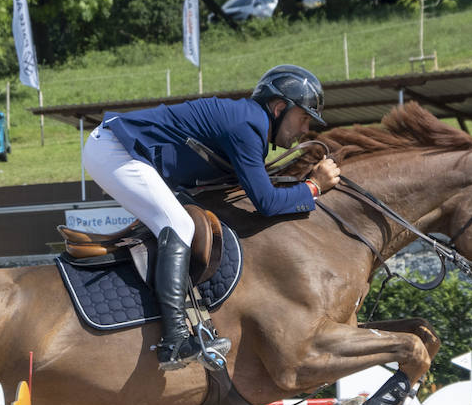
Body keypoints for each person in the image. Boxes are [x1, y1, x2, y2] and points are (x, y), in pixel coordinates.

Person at [81, 64, 340, 371]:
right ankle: (175, 340)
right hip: (115, 150)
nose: (305, 129)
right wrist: (313, 187)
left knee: (181, 221)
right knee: (178, 225)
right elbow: (267, 203)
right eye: (304, 117)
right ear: (280, 107)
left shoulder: (250, 123)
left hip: (123, 151)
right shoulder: (247, 126)